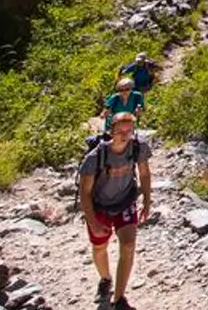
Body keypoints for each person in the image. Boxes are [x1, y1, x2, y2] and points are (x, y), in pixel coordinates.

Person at [79, 110, 152, 309]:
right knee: (99, 247)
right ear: (112, 131)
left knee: (128, 245)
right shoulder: (96, 157)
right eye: (121, 130)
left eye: (129, 130)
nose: (125, 134)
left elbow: (144, 174)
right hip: (99, 206)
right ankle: (105, 279)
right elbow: (84, 192)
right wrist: (92, 220)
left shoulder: (138, 147)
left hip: (125, 202)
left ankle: (119, 298)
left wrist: (146, 200)